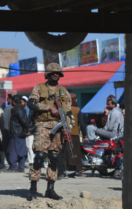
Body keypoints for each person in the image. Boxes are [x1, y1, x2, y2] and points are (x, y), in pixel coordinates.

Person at [27, 63, 72, 201]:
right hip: (43, 125)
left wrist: (67, 127)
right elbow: (31, 103)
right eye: (53, 72)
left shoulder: (64, 91)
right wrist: (48, 108)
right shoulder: (40, 88)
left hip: (59, 127)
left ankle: (50, 189)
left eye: (58, 73)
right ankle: (33, 188)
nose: (56, 74)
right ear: (48, 74)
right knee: (40, 155)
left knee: (54, 157)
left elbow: (69, 111)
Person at [65, 93, 87, 178]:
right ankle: (77, 170)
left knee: (66, 153)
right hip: (75, 134)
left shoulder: (64, 109)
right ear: (75, 100)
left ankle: (65, 170)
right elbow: (81, 123)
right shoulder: (77, 109)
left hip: (66, 134)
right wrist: (85, 135)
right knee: (76, 152)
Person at [6, 95, 29, 173]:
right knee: (21, 151)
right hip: (20, 133)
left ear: (14, 101)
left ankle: (14, 167)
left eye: (12, 101)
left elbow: (23, 121)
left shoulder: (18, 110)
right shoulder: (20, 109)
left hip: (16, 133)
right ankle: (21, 167)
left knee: (13, 151)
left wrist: (27, 128)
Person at [21, 96, 35, 167]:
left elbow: (33, 122)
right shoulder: (21, 110)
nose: (21, 103)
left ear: (26, 102)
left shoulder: (30, 111)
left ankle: (32, 161)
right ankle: (30, 161)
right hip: (24, 132)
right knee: (26, 147)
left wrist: (30, 130)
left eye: (22, 102)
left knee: (29, 147)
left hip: (30, 131)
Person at [2, 93, 13, 168]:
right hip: (15, 133)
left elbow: (4, 121)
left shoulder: (8, 108)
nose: (7, 100)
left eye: (8, 99)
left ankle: (11, 164)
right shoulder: (20, 108)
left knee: (7, 149)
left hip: (7, 131)